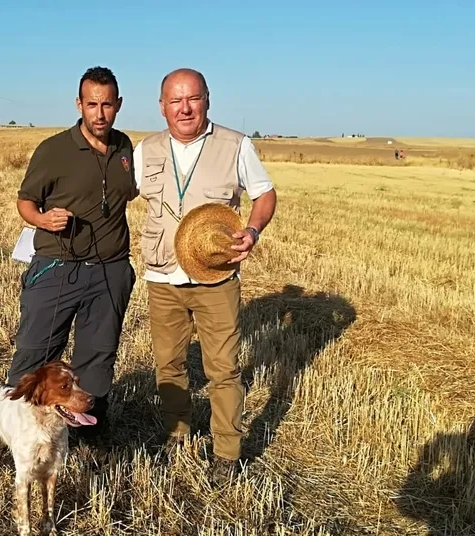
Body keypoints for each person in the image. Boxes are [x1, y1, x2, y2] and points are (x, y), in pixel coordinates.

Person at [134, 68, 277, 484]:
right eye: (175, 100)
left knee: (223, 369)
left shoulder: (235, 145)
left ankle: (226, 454)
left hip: (217, 279)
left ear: (207, 100)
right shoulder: (146, 150)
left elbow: (265, 194)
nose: (184, 108)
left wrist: (252, 231)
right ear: (162, 106)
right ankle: (176, 435)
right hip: (162, 278)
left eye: (192, 98)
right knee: (169, 365)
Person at [6, 66, 137, 449]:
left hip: (110, 269)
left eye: (107, 104)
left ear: (118, 105)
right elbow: (25, 202)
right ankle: (19, 432)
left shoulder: (125, 148)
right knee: (36, 350)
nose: (99, 113)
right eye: (92, 104)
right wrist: (42, 218)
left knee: (98, 356)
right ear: (79, 104)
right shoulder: (54, 150)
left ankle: (88, 435)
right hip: (57, 267)